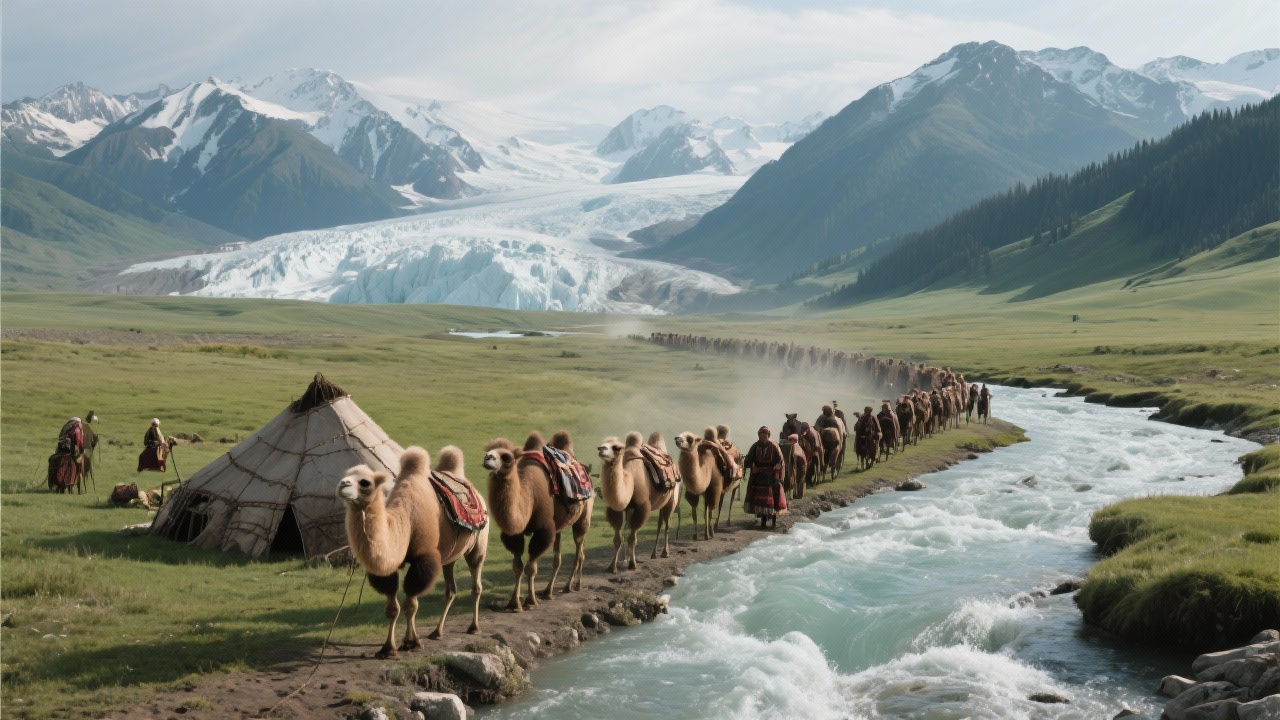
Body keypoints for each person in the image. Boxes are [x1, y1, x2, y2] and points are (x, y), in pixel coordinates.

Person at [743, 426, 787, 528]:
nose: (764, 436)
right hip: (759, 477)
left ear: (768, 435)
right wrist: (750, 466)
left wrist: (771, 469)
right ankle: (763, 523)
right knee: (762, 501)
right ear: (759, 435)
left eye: (765, 434)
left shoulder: (774, 446)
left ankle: (774, 523)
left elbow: (780, 461)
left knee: (774, 500)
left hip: (772, 477)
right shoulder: (755, 446)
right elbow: (749, 460)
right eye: (762, 434)